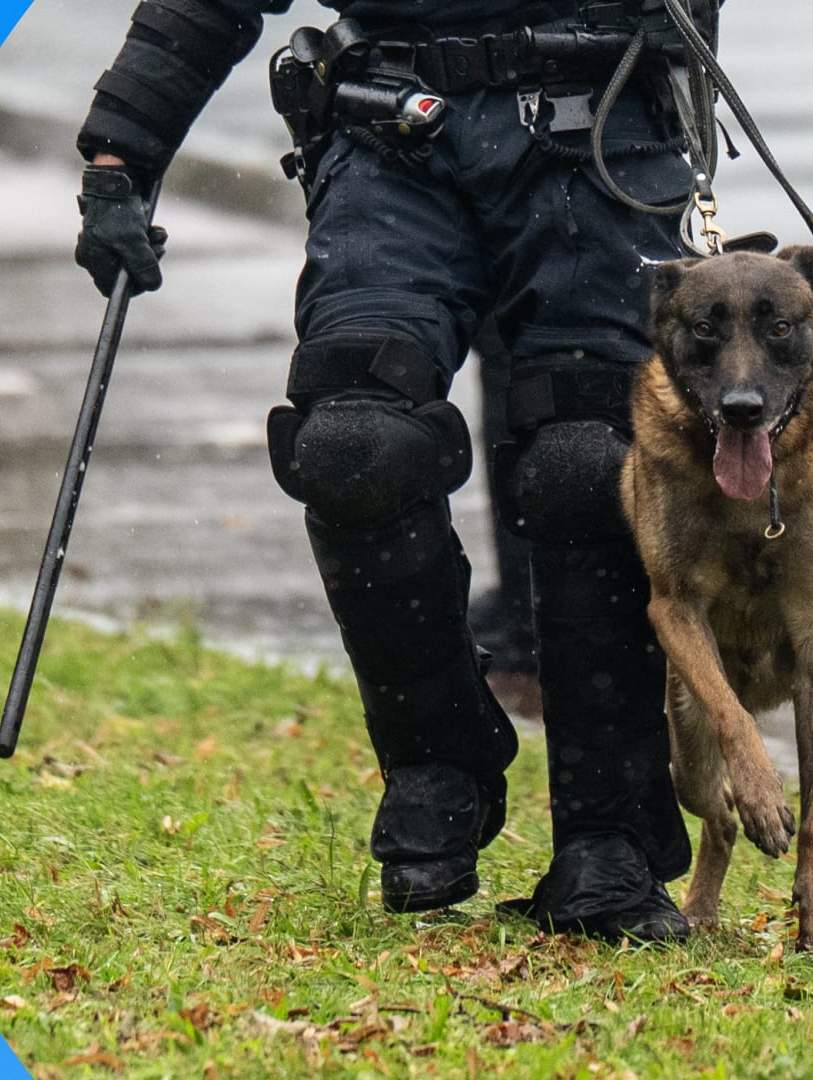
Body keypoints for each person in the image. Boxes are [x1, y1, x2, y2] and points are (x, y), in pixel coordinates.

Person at [71, 0, 723, 940]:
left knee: (592, 466)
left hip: (598, 122)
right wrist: (121, 154)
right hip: (392, 132)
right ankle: (438, 765)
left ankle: (609, 841)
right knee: (351, 447)